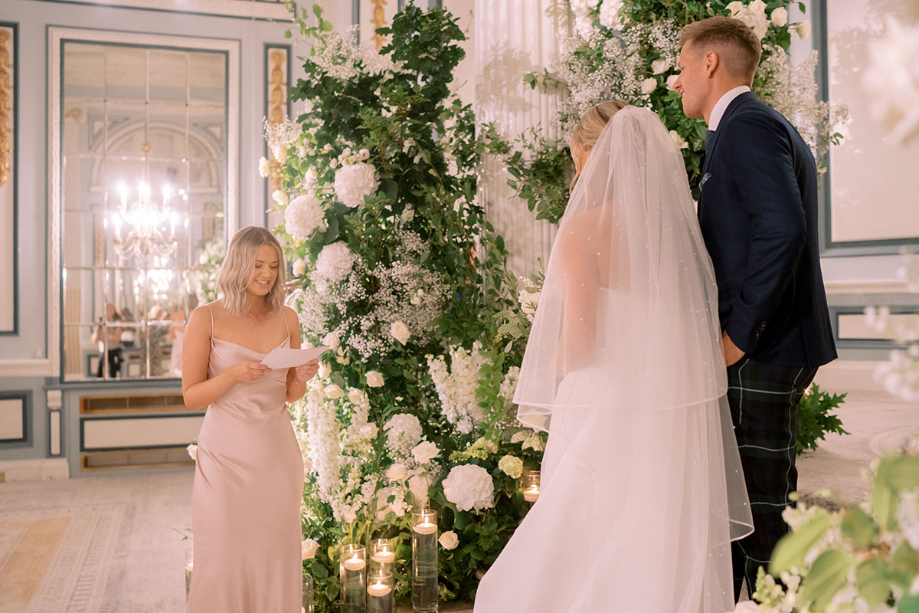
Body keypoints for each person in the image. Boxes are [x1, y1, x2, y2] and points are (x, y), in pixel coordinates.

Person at [474, 102, 753, 613]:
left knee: (590, 519)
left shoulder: (583, 230)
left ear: (591, 155)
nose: (579, 171)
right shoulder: (676, 229)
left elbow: (581, 343)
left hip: (604, 398)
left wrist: (540, 367)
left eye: (576, 157)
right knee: (655, 518)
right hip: (668, 398)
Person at [674, 17, 837, 601]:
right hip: (774, 341)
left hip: (766, 345)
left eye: (682, 65)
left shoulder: (746, 126)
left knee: (762, 511)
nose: (676, 80)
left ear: (711, 63)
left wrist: (739, 336)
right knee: (760, 497)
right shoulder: (748, 125)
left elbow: (782, 231)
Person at [182, 226, 319, 612]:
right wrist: (232, 375)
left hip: (277, 457)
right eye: (258, 264)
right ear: (238, 263)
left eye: (274, 265)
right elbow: (191, 396)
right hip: (224, 459)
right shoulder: (205, 317)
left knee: (275, 555)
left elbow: (289, 395)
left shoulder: (287, 318)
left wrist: (301, 377)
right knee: (223, 556)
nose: (267, 273)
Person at [91, 303, 122, 378]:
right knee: (100, 372)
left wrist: (108, 334)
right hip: (103, 351)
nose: (109, 311)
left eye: (111, 309)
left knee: (113, 372)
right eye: (107, 310)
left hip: (114, 350)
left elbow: (118, 338)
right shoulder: (100, 323)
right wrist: (98, 332)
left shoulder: (116, 323)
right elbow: (94, 340)